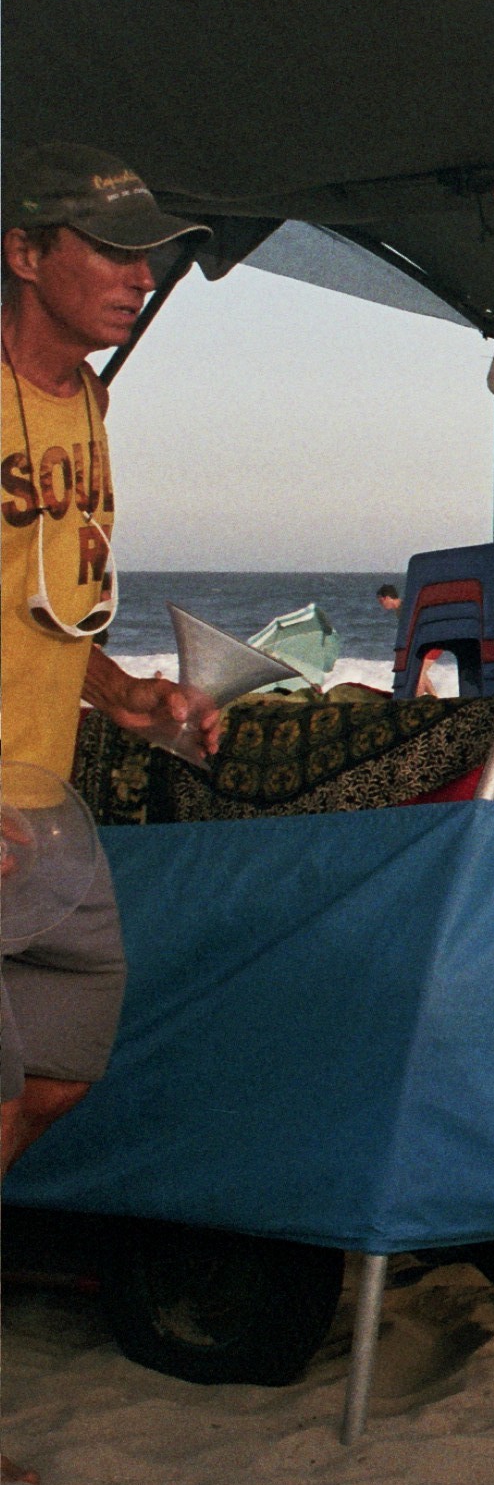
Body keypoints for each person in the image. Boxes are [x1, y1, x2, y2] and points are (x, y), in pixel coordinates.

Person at [3, 143, 216, 1174]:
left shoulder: (89, 399)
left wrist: (123, 690)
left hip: (44, 799)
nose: (142, 277)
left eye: (153, 259)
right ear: (25, 253)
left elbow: (44, 596)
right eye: (115, 251)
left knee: (57, 1074)